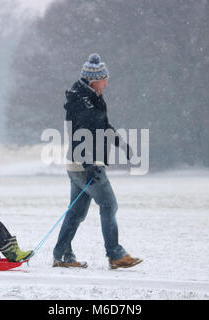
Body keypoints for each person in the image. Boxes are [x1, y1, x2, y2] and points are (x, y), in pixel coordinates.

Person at [52, 53, 143, 269]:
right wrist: (89, 164)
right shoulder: (81, 102)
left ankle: (62, 254)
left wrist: (121, 144)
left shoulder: (92, 97)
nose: (107, 83)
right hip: (86, 165)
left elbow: (103, 127)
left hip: (78, 166)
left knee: (76, 212)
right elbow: (76, 135)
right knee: (109, 204)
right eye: (104, 79)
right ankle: (115, 254)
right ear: (94, 80)